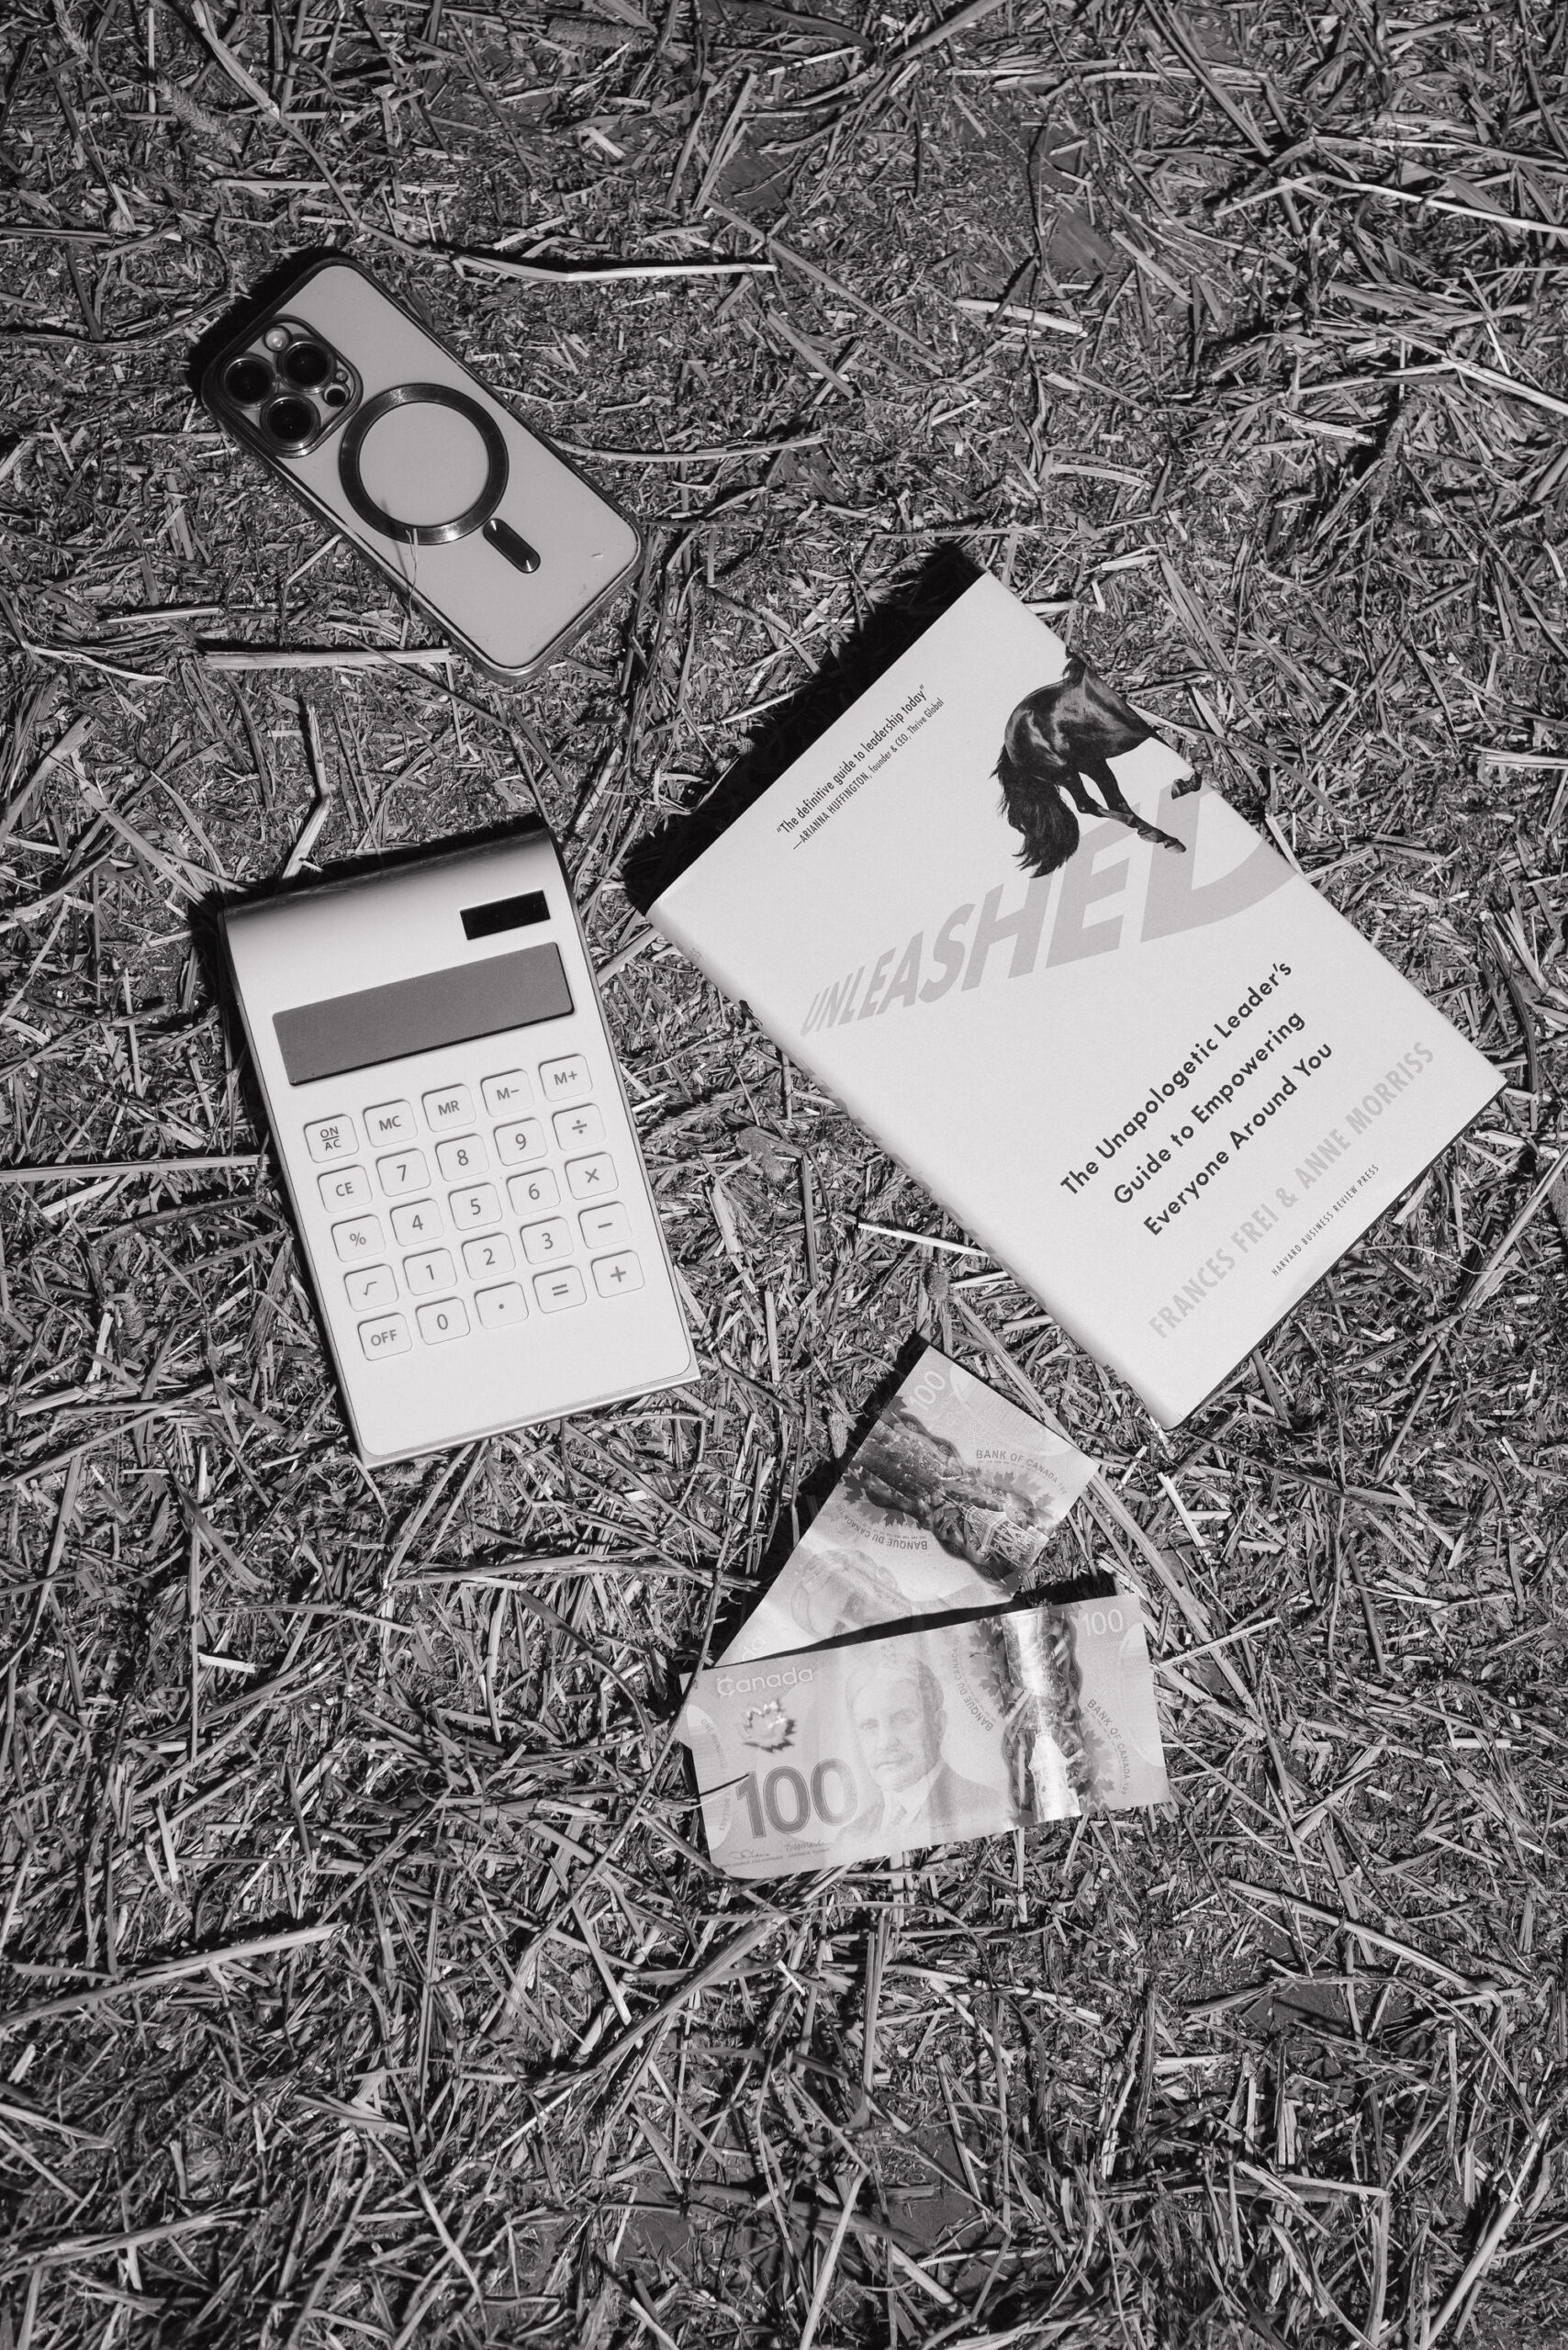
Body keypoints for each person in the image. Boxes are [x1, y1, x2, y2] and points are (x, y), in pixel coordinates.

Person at [837, 1656, 1005, 1852]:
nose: (884, 1743)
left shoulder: (987, 1808)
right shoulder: (851, 1837)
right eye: (869, 1726)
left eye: (901, 1719)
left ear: (938, 1726)